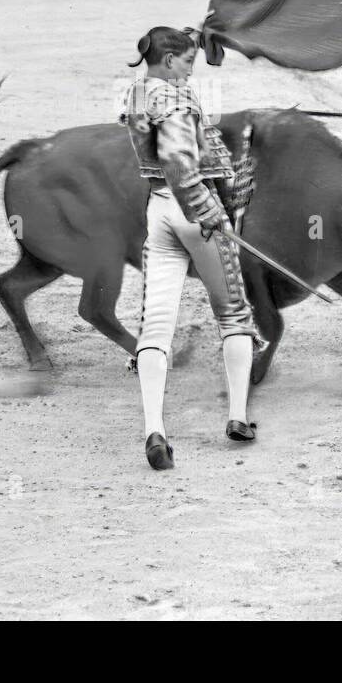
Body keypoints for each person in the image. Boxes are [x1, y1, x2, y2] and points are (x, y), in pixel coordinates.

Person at [119, 27, 258, 471]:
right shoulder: (177, 100)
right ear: (170, 59)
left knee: (156, 326)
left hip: (157, 212)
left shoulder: (140, 93)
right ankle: (237, 417)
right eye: (187, 61)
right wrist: (208, 210)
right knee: (233, 314)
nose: (191, 69)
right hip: (192, 213)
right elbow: (180, 162)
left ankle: (155, 430)